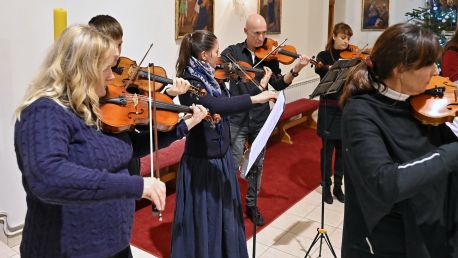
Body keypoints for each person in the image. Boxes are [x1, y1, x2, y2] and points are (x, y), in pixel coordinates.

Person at [340, 22, 458, 258]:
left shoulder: (419, 99)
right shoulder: (360, 112)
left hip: (435, 223)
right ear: (400, 69)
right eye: (428, 65)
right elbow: (385, 183)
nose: (437, 72)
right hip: (395, 237)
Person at [170, 30, 277, 258]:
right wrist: (256, 99)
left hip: (221, 157)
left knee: (223, 217)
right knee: (205, 219)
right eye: (216, 52)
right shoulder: (189, 82)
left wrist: (259, 86)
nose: (219, 57)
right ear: (204, 54)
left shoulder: (211, 77)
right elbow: (215, 105)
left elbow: (227, 102)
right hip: (202, 163)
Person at [220, 13, 310, 226]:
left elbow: (278, 84)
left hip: (260, 118)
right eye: (256, 33)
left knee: (257, 165)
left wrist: (295, 69)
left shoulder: (270, 55)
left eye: (264, 33)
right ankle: (228, 205)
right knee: (232, 163)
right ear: (245, 31)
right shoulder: (231, 54)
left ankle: (251, 204)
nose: (261, 38)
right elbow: (223, 74)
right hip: (237, 117)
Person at [89, 14, 203, 177]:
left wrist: (169, 95)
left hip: (129, 171)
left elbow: (142, 121)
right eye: (110, 46)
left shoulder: (125, 86)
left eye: (119, 45)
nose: (117, 53)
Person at [314, 22, 353, 204]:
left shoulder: (353, 56)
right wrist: (331, 68)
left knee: (343, 150)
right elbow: (320, 70)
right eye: (343, 37)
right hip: (328, 109)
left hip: (345, 108)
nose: (346, 42)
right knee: (327, 150)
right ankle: (326, 186)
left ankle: (339, 186)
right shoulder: (323, 56)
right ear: (334, 36)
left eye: (348, 38)